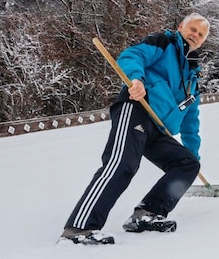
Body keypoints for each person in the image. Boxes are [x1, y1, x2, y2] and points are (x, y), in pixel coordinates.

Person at [60, 13, 209, 245]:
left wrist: (193, 154)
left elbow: (191, 123)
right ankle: (79, 228)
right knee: (123, 163)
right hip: (137, 109)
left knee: (187, 164)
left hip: (159, 128)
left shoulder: (193, 77)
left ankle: (147, 214)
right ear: (181, 26)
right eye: (192, 29)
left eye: (201, 34)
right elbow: (132, 55)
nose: (195, 35)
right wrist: (136, 80)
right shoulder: (163, 43)